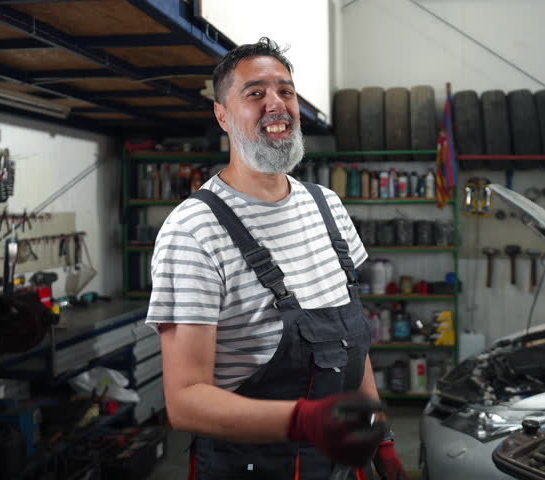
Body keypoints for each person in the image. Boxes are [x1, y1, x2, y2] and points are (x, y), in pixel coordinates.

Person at [146, 37, 407, 480]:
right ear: (222, 115)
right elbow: (186, 400)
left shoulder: (327, 208)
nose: (276, 104)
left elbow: (350, 348)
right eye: (255, 93)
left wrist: (381, 438)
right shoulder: (193, 231)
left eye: (285, 91)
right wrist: (302, 421)